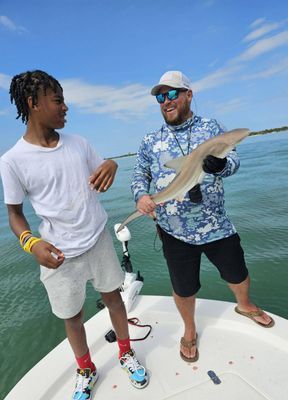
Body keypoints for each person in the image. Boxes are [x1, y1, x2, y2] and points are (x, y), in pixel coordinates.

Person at [0, 70, 149, 399]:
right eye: (58, 100)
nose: (65, 107)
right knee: (73, 316)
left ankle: (125, 353)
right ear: (33, 103)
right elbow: (14, 214)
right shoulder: (12, 161)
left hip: (98, 239)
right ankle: (86, 369)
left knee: (114, 298)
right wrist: (31, 243)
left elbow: (104, 166)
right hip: (58, 255)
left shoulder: (79, 144)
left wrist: (112, 163)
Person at [131, 70, 274, 363]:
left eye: (172, 94)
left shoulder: (212, 127)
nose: (166, 101)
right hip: (174, 230)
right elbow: (139, 174)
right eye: (160, 96)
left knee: (238, 273)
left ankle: (244, 305)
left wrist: (219, 166)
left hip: (216, 225)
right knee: (183, 287)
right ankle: (189, 329)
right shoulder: (150, 139)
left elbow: (233, 162)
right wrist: (141, 197)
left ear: (188, 95)